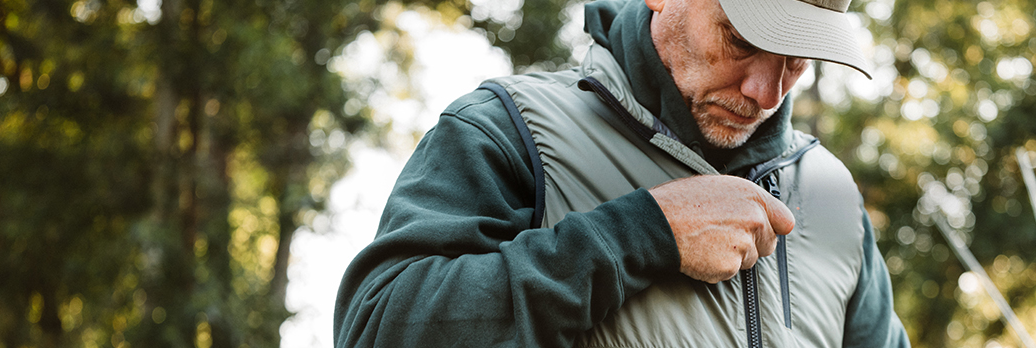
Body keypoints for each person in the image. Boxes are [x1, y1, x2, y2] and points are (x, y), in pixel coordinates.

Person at [333, 0, 909, 346]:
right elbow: (379, 331)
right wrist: (640, 233)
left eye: (796, 61)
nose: (764, 93)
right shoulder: (507, 129)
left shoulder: (833, 197)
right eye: (740, 40)